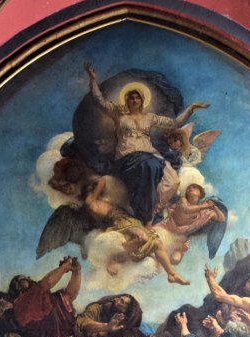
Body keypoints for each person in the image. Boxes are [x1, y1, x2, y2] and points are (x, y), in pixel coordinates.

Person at [84, 62, 209, 223]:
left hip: (150, 154)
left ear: (142, 100)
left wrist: (191, 108)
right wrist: (93, 79)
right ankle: (145, 214)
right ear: (126, 100)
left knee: (173, 181)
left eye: (137, 97)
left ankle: (153, 211)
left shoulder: (150, 118)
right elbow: (99, 100)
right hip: (128, 156)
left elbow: (175, 123)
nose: (134, 100)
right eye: (131, 97)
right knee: (150, 166)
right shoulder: (119, 114)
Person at [83, 176, 190, 285]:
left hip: (130, 220)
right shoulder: (90, 202)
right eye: (92, 188)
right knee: (142, 237)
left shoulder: (102, 201)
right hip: (120, 222)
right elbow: (101, 180)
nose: (96, 189)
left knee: (157, 243)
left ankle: (171, 273)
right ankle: (116, 259)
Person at [11, 256, 81, 337]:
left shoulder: (48, 299)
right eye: (24, 279)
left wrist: (76, 271)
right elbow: (47, 282)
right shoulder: (23, 302)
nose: (29, 278)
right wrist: (65, 266)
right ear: (17, 287)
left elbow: (70, 294)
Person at [159, 183, 226, 264]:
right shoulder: (183, 201)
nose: (190, 188)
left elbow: (221, 219)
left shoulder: (202, 213)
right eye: (188, 187)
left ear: (200, 194)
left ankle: (179, 251)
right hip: (166, 229)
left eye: (194, 187)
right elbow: (186, 209)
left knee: (175, 259)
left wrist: (214, 207)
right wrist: (205, 206)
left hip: (179, 237)